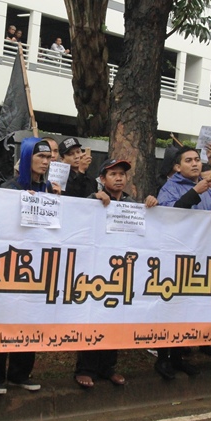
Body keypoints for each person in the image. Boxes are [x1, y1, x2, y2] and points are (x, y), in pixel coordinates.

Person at [0, 137, 60, 395]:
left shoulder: (49, 189)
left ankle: (20, 373)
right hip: (9, 264)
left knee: (30, 318)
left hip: (37, 267)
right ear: (27, 158)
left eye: (48, 158)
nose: (46, 162)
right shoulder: (10, 187)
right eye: (41, 157)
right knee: (3, 319)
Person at [74, 158, 158, 388]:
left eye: (122, 174)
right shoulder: (94, 200)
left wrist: (151, 204)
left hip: (121, 270)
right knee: (93, 317)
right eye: (113, 174)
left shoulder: (132, 205)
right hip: (95, 271)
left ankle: (108, 368)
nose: (119, 178)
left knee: (114, 318)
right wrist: (94, 198)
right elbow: (78, 214)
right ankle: (85, 369)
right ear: (102, 179)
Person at [155, 147, 211, 379]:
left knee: (187, 309)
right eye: (188, 160)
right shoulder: (170, 187)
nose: (195, 164)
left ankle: (179, 357)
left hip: (199, 259)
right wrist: (194, 192)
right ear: (177, 167)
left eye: (197, 159)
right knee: (171, 308)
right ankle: (163, 358)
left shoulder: (208, 191)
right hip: (175, 258)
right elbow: (169, 214)